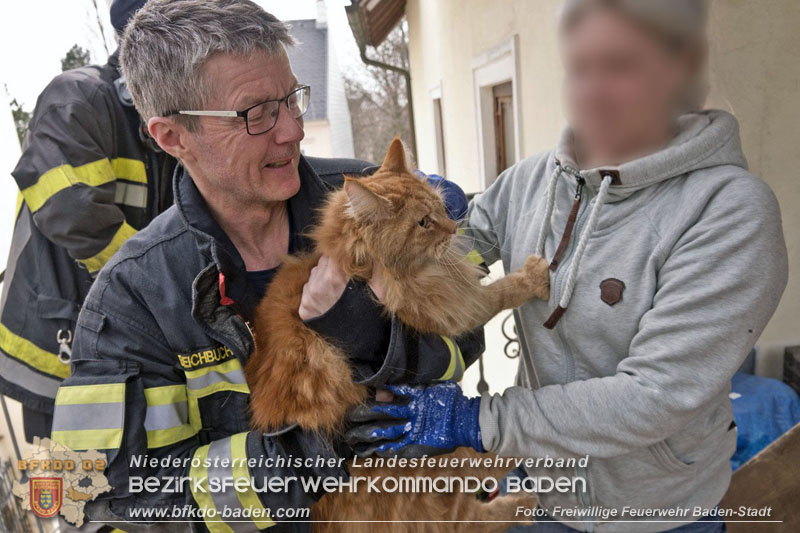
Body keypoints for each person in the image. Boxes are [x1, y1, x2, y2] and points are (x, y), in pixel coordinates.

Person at [346, 1, 788, 532]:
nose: (592, 91)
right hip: (542, 490)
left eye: (621, 66)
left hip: (657, 512)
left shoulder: (729, 212)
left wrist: (477, 420)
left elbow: (654, 396)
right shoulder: (532, 181)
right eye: (580, 68)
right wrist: (409, 229)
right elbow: (459, 257)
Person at [48, 0, 478, 530]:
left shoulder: (365, 200)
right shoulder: (134, 299)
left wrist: (376, 342)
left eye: (292, 98)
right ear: (172, 137)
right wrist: (302, 456)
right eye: (256, 113)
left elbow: (470, 330)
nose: (293, 130)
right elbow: (108, 496)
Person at [0, 0, 175, 444]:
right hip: (58, 354)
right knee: (81, 502)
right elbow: (69, 209)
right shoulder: (76, 98)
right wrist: (163, 286)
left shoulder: (173, 121)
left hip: (127, 352)